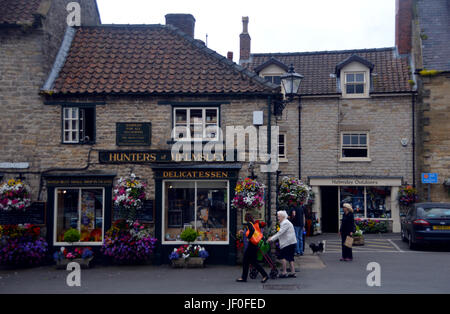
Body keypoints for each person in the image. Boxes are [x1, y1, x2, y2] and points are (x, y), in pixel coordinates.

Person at [236, 213, 269, 283]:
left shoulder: (249, 224)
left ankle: (265, 275)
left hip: (252, 245)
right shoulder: (254, 223)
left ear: (246, 218)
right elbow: (256, 231)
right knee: (248, 261)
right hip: (254, 244)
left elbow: (252, 231)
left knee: (250, 261)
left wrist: (248, 238)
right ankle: (244, 277)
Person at [268, 210, 298, 278]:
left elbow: (280, 233)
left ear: (283, 216)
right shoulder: (285, 222)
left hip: (287, 243)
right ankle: (293, 272)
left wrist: (271, 239)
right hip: (291, 242)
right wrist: (272, 237)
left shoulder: (285, 223)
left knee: (283, 257)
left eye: (279, 216)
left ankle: (284, 272)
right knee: (290, 257)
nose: (278, 218)